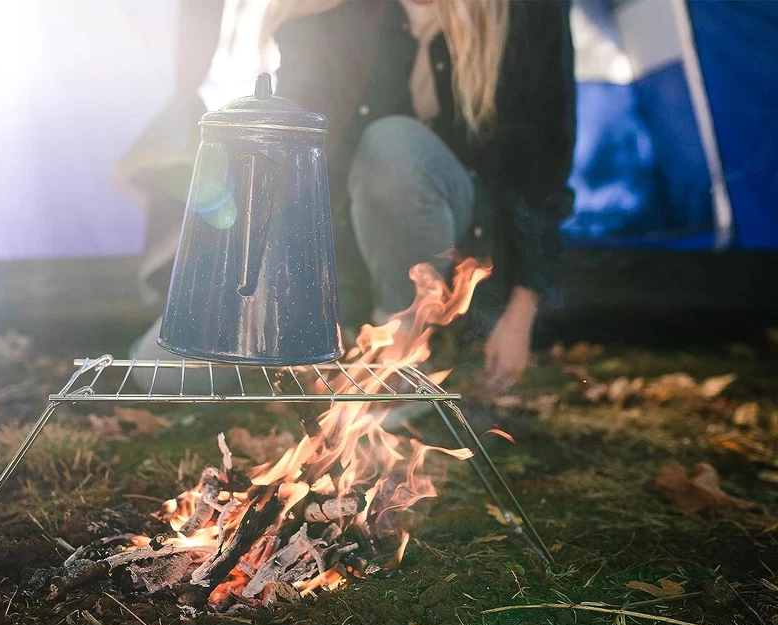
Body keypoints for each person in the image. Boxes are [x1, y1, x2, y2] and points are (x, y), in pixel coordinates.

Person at [133, 0, 575, 395]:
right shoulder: (337, 14)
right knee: (164, 374)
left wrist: (520, 313)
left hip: (462, 256)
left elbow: (542, 173)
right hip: (345, 257)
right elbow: (298, 164)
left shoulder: (525, 13)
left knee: (393, 145)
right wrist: (243, 277)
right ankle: (345, 341)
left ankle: (400, 354)